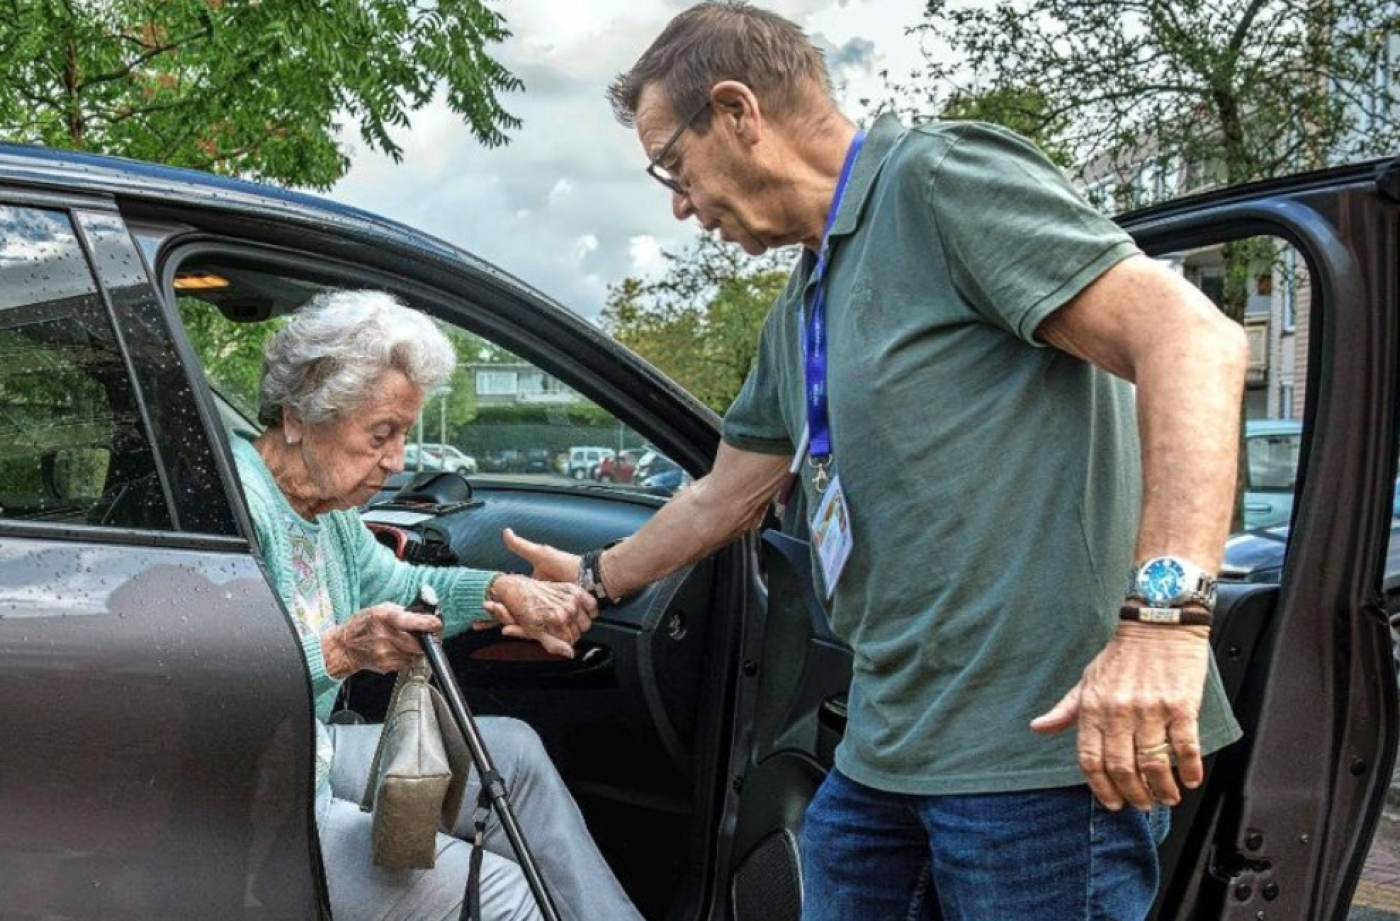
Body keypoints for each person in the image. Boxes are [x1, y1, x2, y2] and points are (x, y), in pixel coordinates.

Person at [503, 3, 1249, 920]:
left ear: (738, 111)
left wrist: (1164, 624)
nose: (679, 203)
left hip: (1035, 757)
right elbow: (726, 494)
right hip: (887, 744)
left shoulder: (939, 182)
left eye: (672, 163)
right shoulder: (808, 292)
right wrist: (589, 578)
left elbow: (1193, 339)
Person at [233, 289, 646, 921]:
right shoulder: (237, 506)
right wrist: (342, 651)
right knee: (504, 895)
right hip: (253, 797)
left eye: (403, 434)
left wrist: (498, 591)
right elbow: (223, 683)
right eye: (381, 434)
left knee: (512, 752)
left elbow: (398, 587)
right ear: (298, 415)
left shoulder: (326, 513)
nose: (397, 462)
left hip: (305, 750)